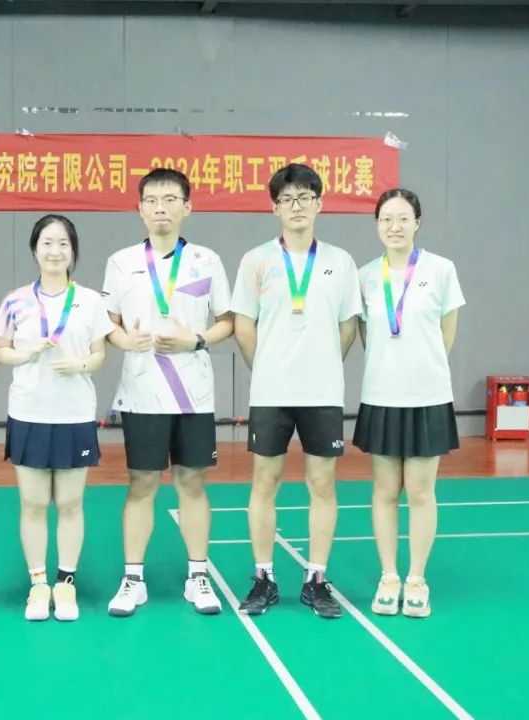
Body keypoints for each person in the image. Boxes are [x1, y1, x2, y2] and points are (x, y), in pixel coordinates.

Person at [231, 163, 362, 619]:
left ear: (319, 203)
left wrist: (321, 363)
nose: (297, 206)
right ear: (275, 208)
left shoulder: (341, 262)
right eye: (287, 199)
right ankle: (264, 577)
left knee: (322, 485)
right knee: (264, 482)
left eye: (305, 197)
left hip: (323, 393)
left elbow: (348, 326)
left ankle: (316, 579)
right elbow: (243, 325)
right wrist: (268, 367)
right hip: (271, 393)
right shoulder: (256, 261)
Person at [102, 168, 234, 617]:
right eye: (152, 200)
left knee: (191, 482)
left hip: (194, 394)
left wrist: (195, 340)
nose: (161, 207)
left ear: (187, 207)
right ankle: (132, 579)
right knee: (141, 483)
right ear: (139, 209)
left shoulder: (207, 260)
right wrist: (125, 341)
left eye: (170, 199)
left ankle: (198, 576)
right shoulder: (121, 262)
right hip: (141, 393)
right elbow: (108, 323)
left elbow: (227, 321)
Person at [0, 214, 113, 622]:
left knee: (71, 503)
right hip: (28, 412)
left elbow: (99, 354)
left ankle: (66, 582)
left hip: (74, 414)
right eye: (47, 242)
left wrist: (81, 364)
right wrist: (24, 354)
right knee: (32, 503)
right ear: (34, 249)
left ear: (73, 251)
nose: (55, 250)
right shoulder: (15, 300)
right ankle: (38, 583)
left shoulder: (90, 301)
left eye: (63, 243)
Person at [355, 188, 465, 618]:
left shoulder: (441, 270)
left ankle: (416, 579)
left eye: (403, 218)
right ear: (377, 225)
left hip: (428, 397)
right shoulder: (366, 275)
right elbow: (365, 335)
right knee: (385, 491)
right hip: (381, 396)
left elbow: (447, 333)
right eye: (386, 219)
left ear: (418, 222)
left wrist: (421, 371)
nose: (395, 227)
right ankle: (389, 575)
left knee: (421, 492)